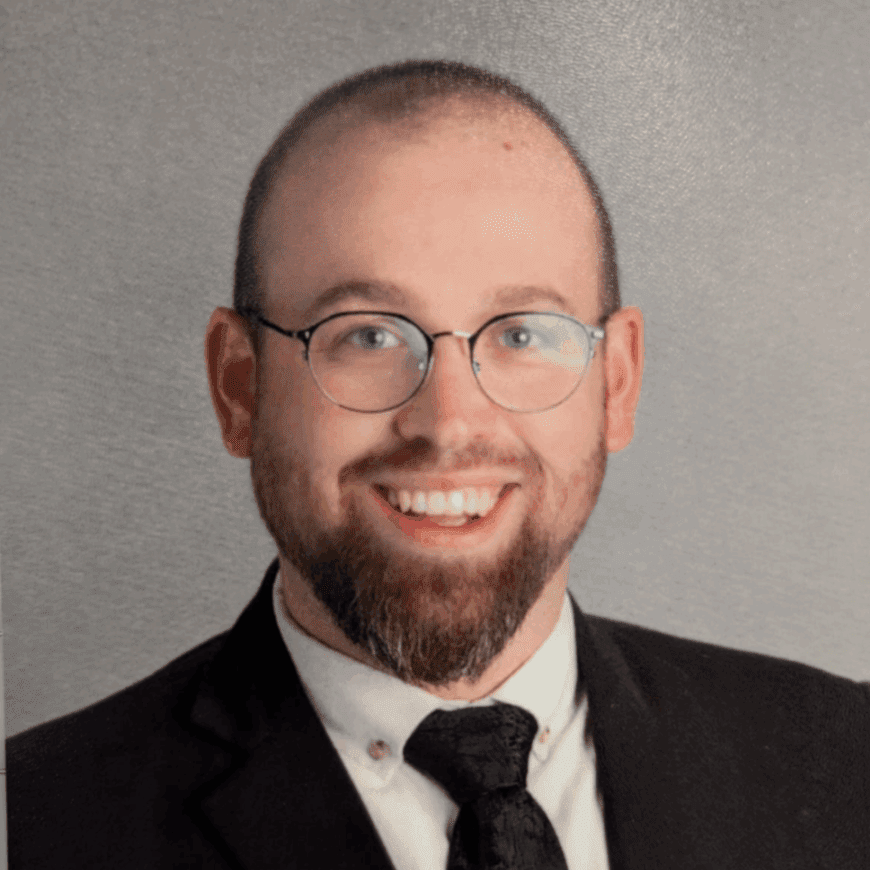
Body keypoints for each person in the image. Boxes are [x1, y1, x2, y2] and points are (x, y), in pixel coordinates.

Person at [7, 59, 869, 870]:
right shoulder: (38, 823)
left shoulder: (845, 764)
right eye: (368, 335)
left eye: (524, 333)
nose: (450, 423)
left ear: (616, 383)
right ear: (240, 387)